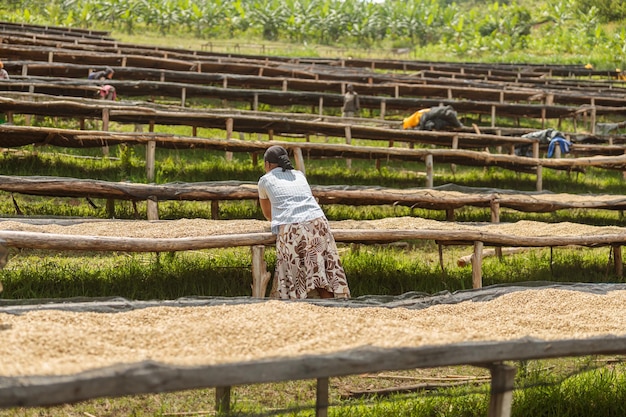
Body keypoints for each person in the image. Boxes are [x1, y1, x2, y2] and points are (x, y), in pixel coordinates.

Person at [258, 145, 350, 300]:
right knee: (320, 269)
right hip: (318, 223)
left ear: (267, 164)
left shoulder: (265, 181)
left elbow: (269, 215)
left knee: (296, 275)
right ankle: (331, 306)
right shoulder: (299, 175)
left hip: (292, 227)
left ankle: (298, 307)